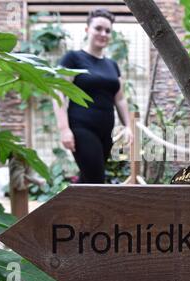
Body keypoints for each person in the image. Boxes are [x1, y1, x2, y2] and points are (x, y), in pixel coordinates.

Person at [53, 9, 133, 184]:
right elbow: (58, 92)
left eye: (107, 31)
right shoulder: (73, 58)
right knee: (96, 179)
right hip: (81, 128)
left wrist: (128, 125)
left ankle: (70, 211)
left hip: (106, 133)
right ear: (87, 29)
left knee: (88, 179)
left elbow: (119, 98)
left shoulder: (112, 65)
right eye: (98, 28)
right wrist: (64, 129)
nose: (103, 34)